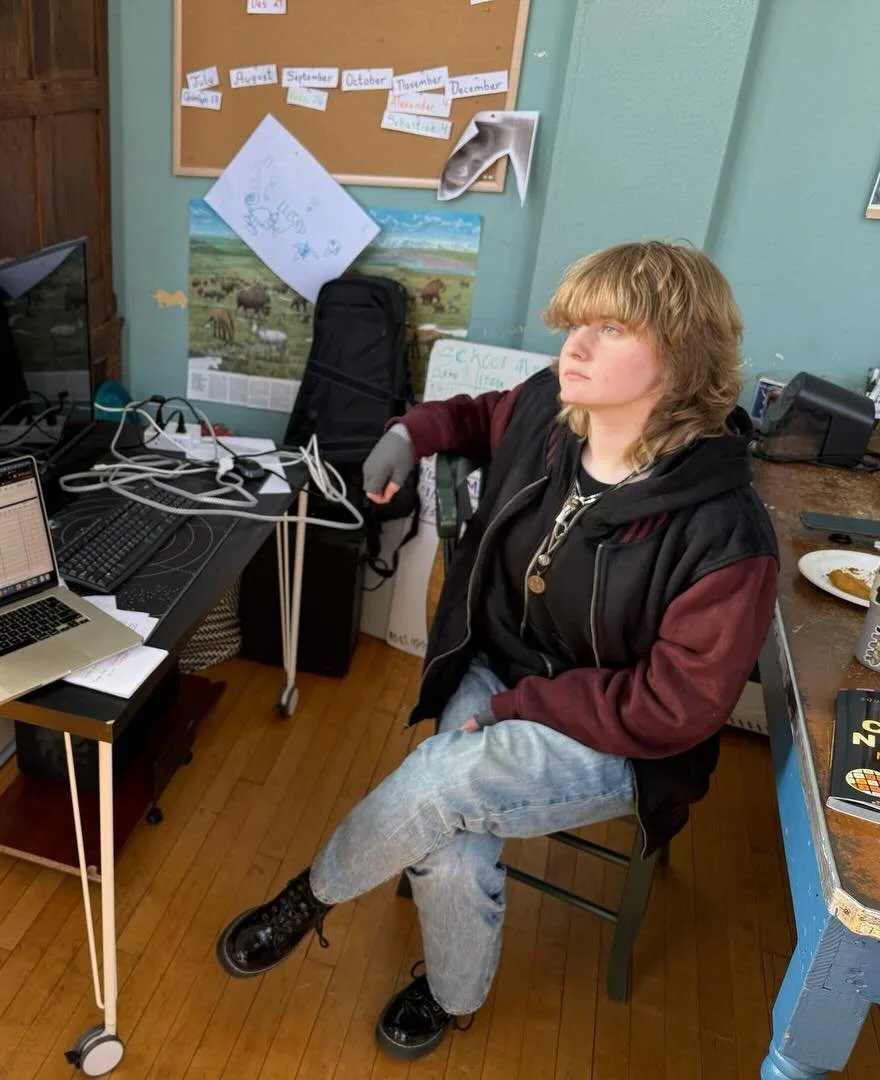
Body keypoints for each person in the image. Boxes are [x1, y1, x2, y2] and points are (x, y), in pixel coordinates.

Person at [214, 241, 779, 1061]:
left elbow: (675, 707)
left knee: (443, 782)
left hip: (618, 737)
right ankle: (451, 995)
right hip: (503, 664)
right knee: (446, 855)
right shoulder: (555, 408)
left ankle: (311, 897)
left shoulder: (725, 533)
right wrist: (410, 431)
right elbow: (477, 415)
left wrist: (521, 711)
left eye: (609, 328)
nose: (574, 347)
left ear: (682, 358)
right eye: (575, 324)